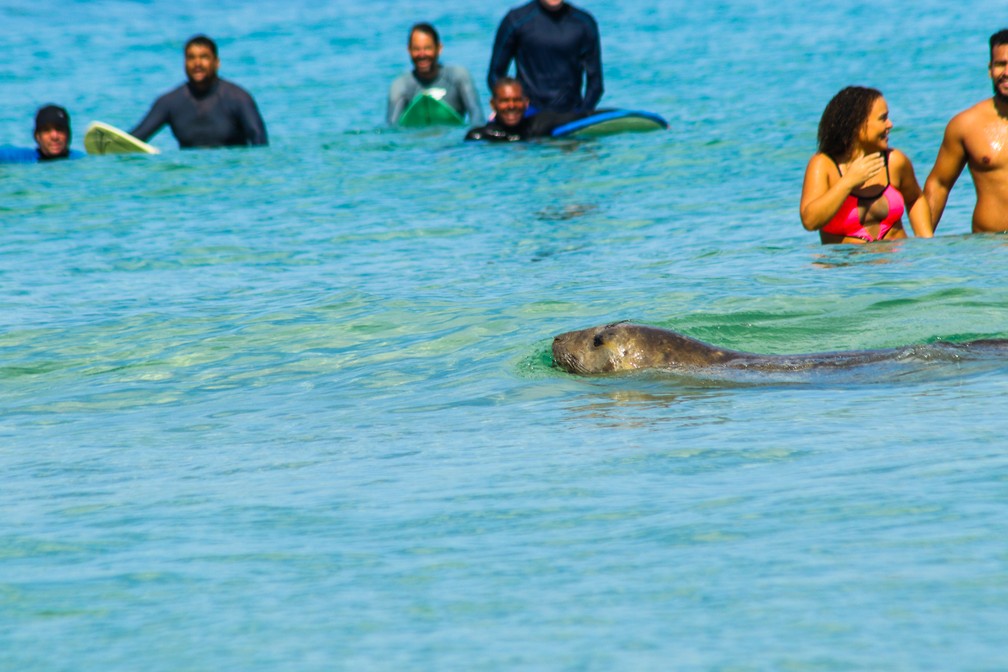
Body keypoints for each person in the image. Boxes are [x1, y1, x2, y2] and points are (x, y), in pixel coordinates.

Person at [799, 86, 933, 244]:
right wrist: (849, 181)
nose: (890, 124)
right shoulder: (823, 165)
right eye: (883, 118)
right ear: (857, 125)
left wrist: (926, 243)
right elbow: (810, 221)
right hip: (847, 267)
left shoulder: (894, 161)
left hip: (898, 265)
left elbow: (915, 199)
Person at [924, 29, 1008, 233]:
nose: (1006, 72)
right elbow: (939, 184)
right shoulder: (967, 125)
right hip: (988, 252)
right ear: (990, 69)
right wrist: (921, 247)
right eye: (1000, 64)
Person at [130, 34, 267, 149]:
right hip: (189, 177)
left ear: (216, 62)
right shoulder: (169, 102)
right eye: (191, 58)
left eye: (204, 57)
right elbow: (135, 140)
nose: (197, 64)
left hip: (229, 175)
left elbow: (260, 143)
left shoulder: (238, 98)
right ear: (185, 62)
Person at [487, 0, 602, 114]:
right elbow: (495, 75)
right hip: (528, 113)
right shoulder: (515, 19)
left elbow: (596, 83)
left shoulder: (584, 22)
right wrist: (507, 110)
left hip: (570, 114)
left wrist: (583, 112)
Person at [387, 23, 485, 126]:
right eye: (416, 49)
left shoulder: (458, 77)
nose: (422, 54)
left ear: (439, 48)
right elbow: (392, 128)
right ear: (409, 50)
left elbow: (477, 119)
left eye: (427, 48)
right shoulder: (400, 86)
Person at [465, 77, 588, 142]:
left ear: (526, 102)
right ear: (493, 104)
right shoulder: (478, 136)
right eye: (504, 101)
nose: (511, 106)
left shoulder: (541, 124)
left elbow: (581, 117)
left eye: (517, 100)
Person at [0, 105, 84, 164]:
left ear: (68, 134)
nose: (54, 136)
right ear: (37, 136)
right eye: (46, 130)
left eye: (60, 129)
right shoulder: (24, 158)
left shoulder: (80, 160)